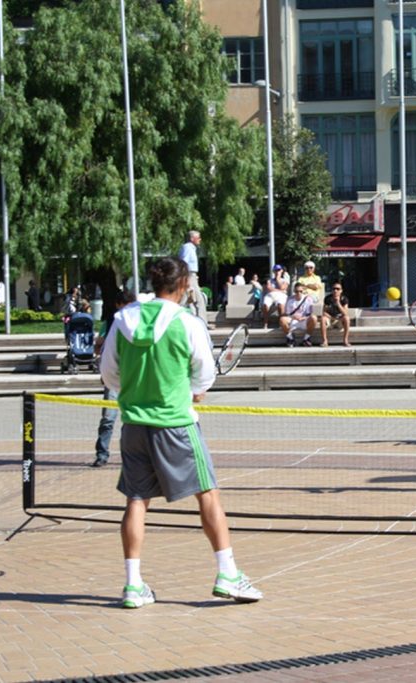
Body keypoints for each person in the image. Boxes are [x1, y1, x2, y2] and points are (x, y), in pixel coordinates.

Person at [99, 257, 262, 608]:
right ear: (185, 284)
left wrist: (134, 390)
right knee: (208, 495)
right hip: (176, 424)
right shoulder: (187, 323)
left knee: (136, 500)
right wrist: (192, 391)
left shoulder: (122, 320)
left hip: (134, 424)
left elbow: (108, 373)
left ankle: (132, 585)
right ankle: (228, 574)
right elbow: (204, 373)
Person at [92, 290, 137, 468]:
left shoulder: (139, 322)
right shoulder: (112, 322)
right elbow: (98, 346)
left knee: (134, 420)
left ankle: (134, 456)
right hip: (115, 377)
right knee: (108, 418)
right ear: (118, 306)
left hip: (133, 377)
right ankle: (102, 453)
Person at [177, 229, 206, 319]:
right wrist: (186, 278)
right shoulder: (187, 248)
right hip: (188, 275)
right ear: (192, 238)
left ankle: (197, 319)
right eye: (198, 238)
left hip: (191, 275)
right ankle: (202, 322)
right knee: (198, 300)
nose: (200, 239)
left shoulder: (191, 249)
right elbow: (183, 262)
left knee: (189, 299)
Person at [280, 282, 316, 347]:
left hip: (304, 320)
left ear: (303, 291)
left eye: (300, 291)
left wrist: (303, 318)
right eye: (296, 291)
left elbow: (309, 313)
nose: (298, 293)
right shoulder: (290, 299)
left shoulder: (308, 299)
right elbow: (288, 313)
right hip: (293, 320)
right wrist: (294, 317)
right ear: (294, 291)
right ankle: (290, 338)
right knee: (282, 319)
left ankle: (306, 338)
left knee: (314, 318)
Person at [320, 282, 352, 347]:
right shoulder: (328, 299)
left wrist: (338, 303)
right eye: (334, 289)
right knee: (323, 318)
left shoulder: (344, 299)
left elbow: (345, 313)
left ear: (341, 290)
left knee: (347, 318)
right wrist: (332, 318)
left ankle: (345, 340)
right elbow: (324, 312)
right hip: (330, 320)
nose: (335, 290)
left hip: (340, 321)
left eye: (338, 289)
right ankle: (325, 341)